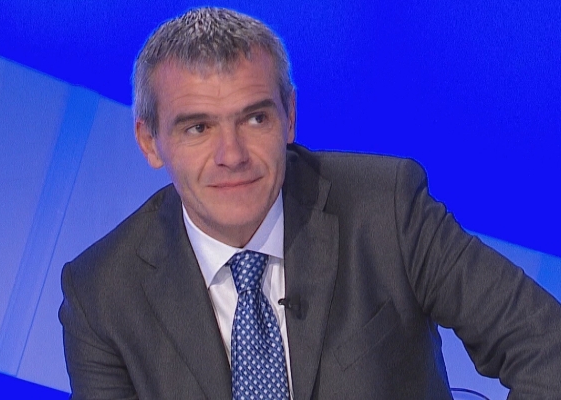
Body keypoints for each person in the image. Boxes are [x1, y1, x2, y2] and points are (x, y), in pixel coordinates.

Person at [59, 7, 561, 399]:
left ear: (290, 116)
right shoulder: (101, 295)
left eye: (255, 119)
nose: (232, 155)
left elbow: (547, 347)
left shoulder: (385, 209)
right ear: (149, 142)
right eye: (198, 128)